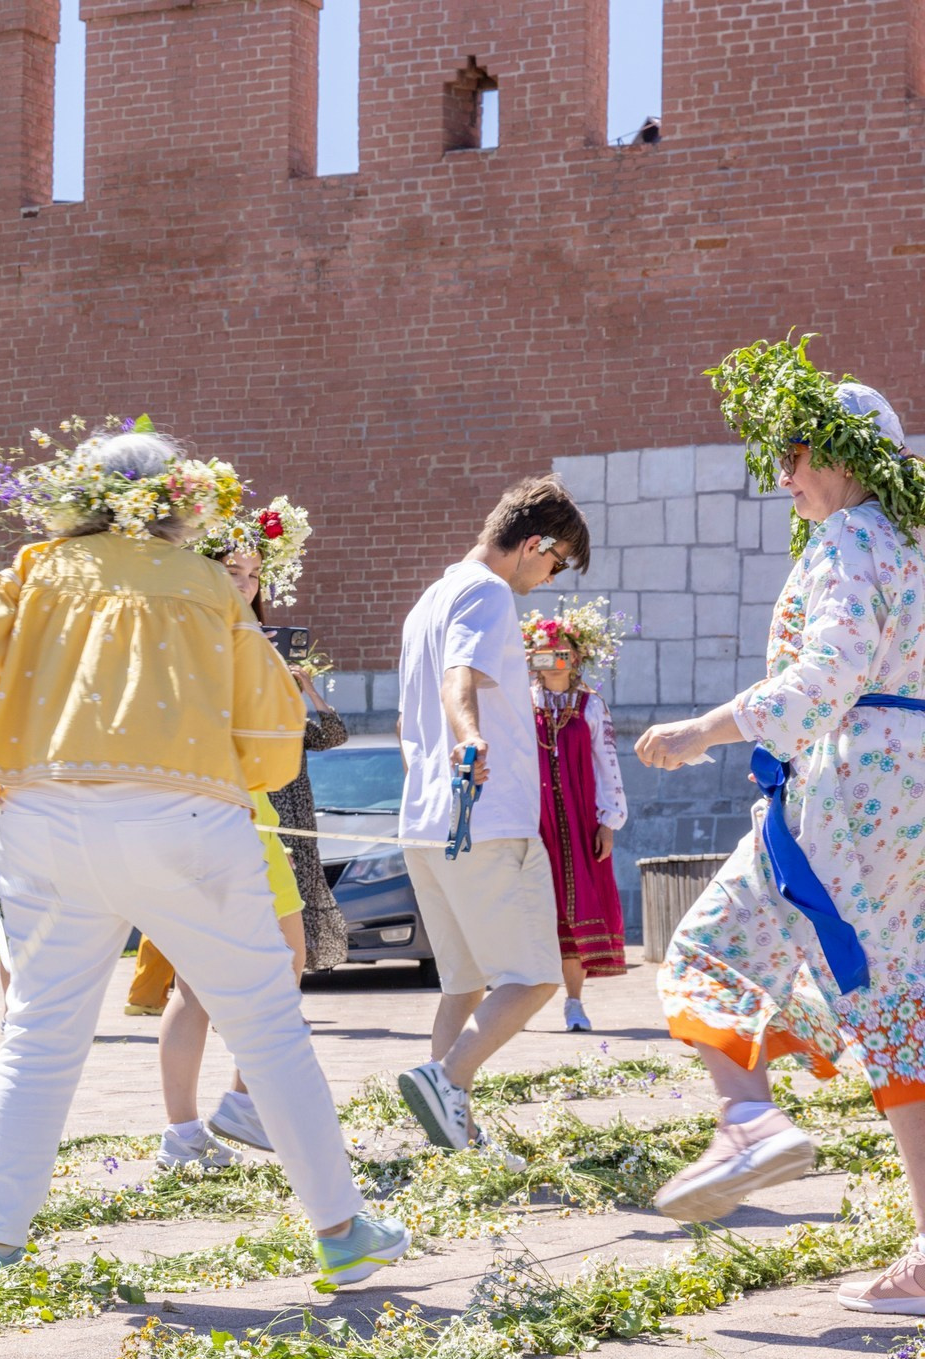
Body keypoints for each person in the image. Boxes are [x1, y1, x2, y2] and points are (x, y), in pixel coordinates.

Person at [0, 428, 408, 1293]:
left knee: (38, 1034)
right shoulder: (210, 585)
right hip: (186, 819)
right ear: (179, 500)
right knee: (267, 1025)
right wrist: (225, 780)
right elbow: (274, 734)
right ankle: (339, 1229)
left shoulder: (36, 571)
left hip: (44, 812)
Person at [638, 356, 925, 1310]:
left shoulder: (850, 541)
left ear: (845, 459)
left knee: (708, 943)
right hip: (910, 791)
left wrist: (699, 730)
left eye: (798, 453)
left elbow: (818, 683)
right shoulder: (913, 543)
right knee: (897, 1007)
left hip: (848, 794)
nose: (786, 473)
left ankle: (748, 1117)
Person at [391, 476, 589, 1155]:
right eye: (555, 562)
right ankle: (445, 1081)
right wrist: (470, 738)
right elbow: (459, 676)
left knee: (464, 985)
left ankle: (454, 1135)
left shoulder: (429, 599)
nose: (549, 576)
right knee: (533, 975)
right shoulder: (487, 591)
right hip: (485, 817)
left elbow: (401, 718)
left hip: (425, 823)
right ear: (537, 543)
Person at [155, 501, 346, 1169]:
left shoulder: (254, 642)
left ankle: (239, 1103)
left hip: (259, 816)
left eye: (255, 573)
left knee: (287, 962)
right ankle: (184, 1133)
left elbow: (299, 737)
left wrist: (295, 689)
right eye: (233, 570)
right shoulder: (189, 635)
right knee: (197, 988)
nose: (246, 584)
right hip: (209, 816)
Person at [526, 610, 629, 1031]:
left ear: (575, 656)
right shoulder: (519, 701)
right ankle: (517, 1004)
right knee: (529, 906)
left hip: (577, 816)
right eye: (545, 652)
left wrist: (609, 821)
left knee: (574, 905)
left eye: (561, 652)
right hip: (533, 819)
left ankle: (573, 1002)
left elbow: (607, 765)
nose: (553, 659)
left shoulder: (590, 706)